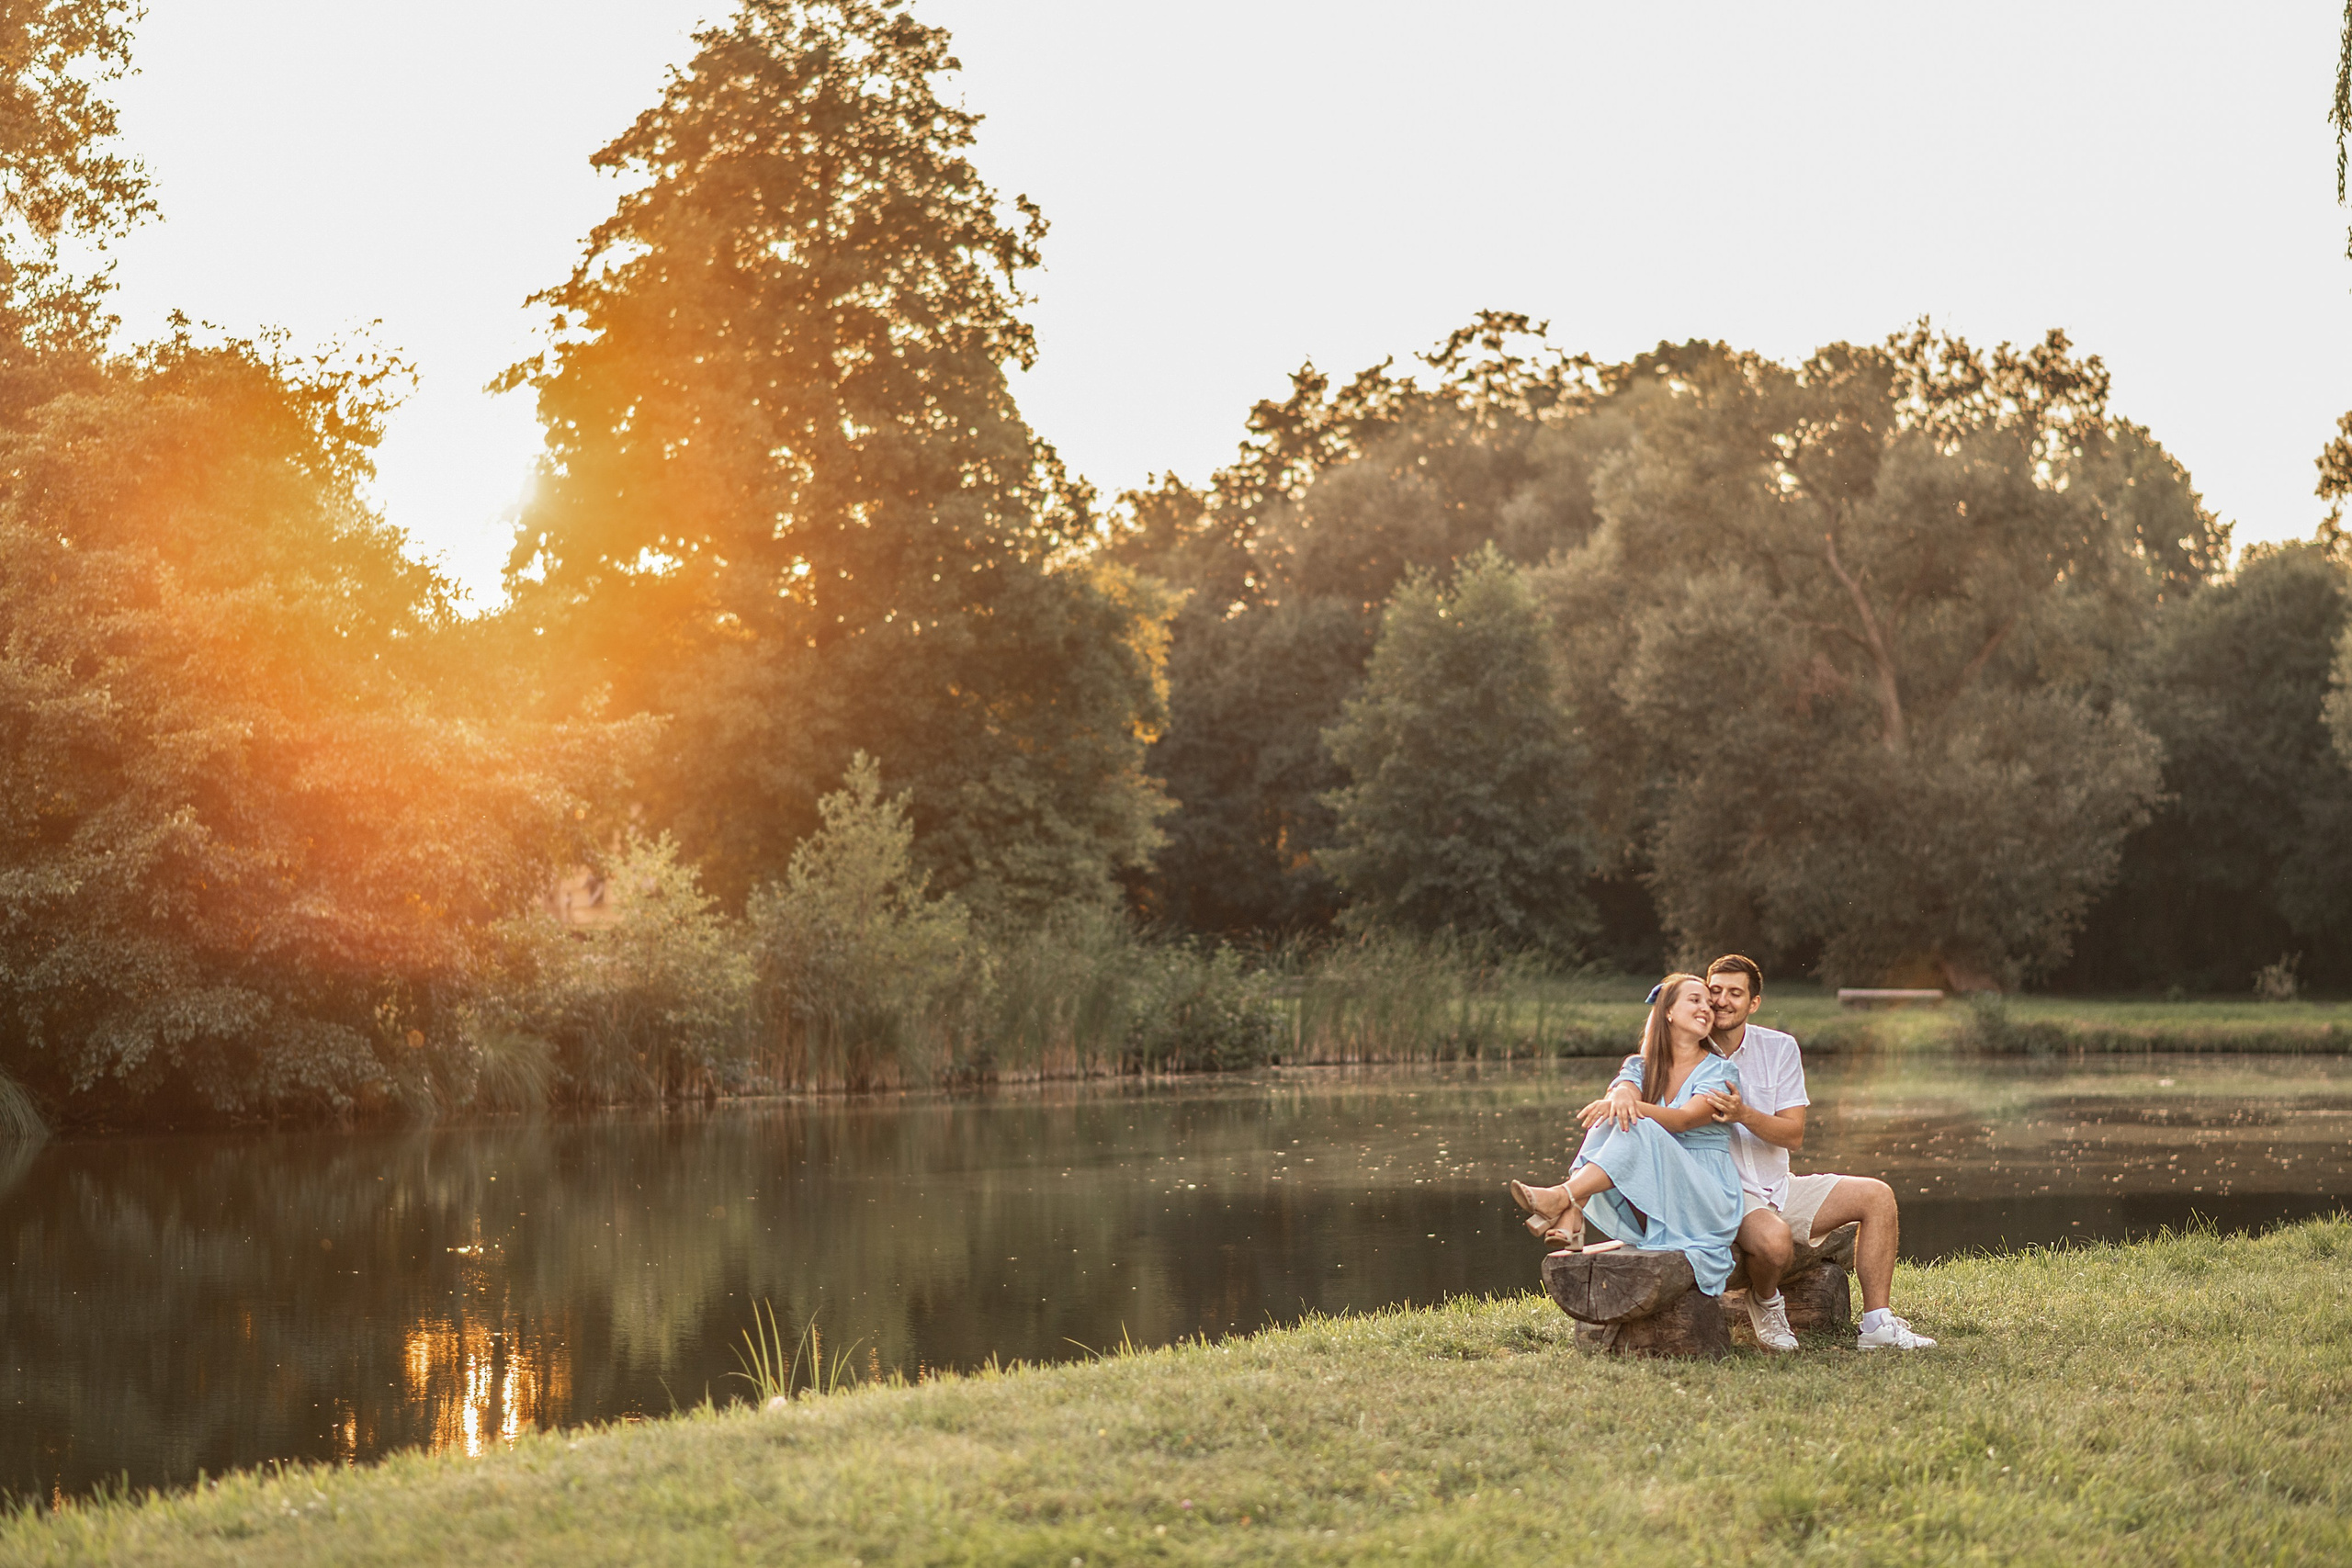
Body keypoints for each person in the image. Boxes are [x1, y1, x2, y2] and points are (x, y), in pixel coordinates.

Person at [1586, 954, 1936, 1352]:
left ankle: (1876, 1324)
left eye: (1735, 993)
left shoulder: (1779, 1048)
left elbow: (1794, 1134)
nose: (1720, 1001)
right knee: (1774, 1243)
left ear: (1753, 1003)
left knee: (1877, 1196)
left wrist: (1743, 1114)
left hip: (1778, 1186)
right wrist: (1620, 1092)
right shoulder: (1685, 1050)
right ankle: (1766, 1301)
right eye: (1714, 991)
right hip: (1720, 1194)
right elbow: (1635, 1077)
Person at [1508, 974, 1745, 1296]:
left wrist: (1627, 1103)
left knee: (1633, 1119)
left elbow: (1683, 1120)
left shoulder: (1720, 1070)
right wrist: (1619, 1095)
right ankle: (1573, 1208)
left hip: (1706, 1196)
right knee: (1610, 1119)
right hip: (1659, 1191)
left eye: (1708, 1002)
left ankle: (1566, 1200)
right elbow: (1623, 1093)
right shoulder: (1641, 1065)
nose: (1707, 1008)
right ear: (1668, 1012)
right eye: (1695, 1000)